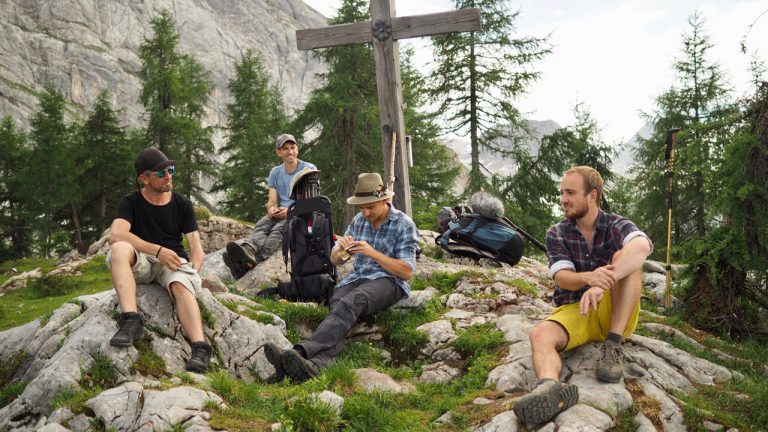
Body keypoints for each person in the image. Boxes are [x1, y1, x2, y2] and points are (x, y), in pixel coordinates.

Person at [513, 166, 652, 425]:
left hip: (614, 310)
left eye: (570, 193)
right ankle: (550, 388)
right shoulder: (557, 232)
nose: (563, 199)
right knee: (539, 334)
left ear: (592, 195)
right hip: (578, 308)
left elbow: (642, 246)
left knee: (627, 257)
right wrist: (588, 278)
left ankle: (612, 345)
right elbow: (562, 277)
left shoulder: (616, 225)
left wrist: (601, 285)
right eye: (562, 192)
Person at [260, 173, 419, 383]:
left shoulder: (403, 224)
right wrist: (343, 250)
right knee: (337, 302)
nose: (365, 212)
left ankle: (300, 352)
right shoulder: (359, 220)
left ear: (384, 200)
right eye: (361, 207)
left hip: (390, 281)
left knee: (354, 300)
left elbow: (407, 271)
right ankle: (316, 364)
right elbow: (335, 260)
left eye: (369, 207)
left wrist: (371, 252)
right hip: (359, 277)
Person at [107, 148, 212, 373]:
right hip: (144, 260)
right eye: (161, 172)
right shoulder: (131, 202)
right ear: (144, 179)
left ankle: (200, 348)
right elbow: (116, 234)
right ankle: (131, 320)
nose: (169, 175)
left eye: (171, 170)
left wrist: (193, 272)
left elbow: (196, 247)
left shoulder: (182, 204)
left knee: (180, 283)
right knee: (118, 249)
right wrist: (157, 251)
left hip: (173, 262)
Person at [223, 133, 317, 279]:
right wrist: (272, 209)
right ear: (279, 152)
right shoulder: (275, 172)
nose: (290, 151)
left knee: (278, 230)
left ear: (297, 148)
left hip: (299, 213)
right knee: (262, 224)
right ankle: (250, 249)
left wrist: (291, 210)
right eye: (285, 149)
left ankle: (256, 259)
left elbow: (311, 200)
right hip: (282, 211)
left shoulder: (308, 169)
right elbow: (272, 201)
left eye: (292, 147)